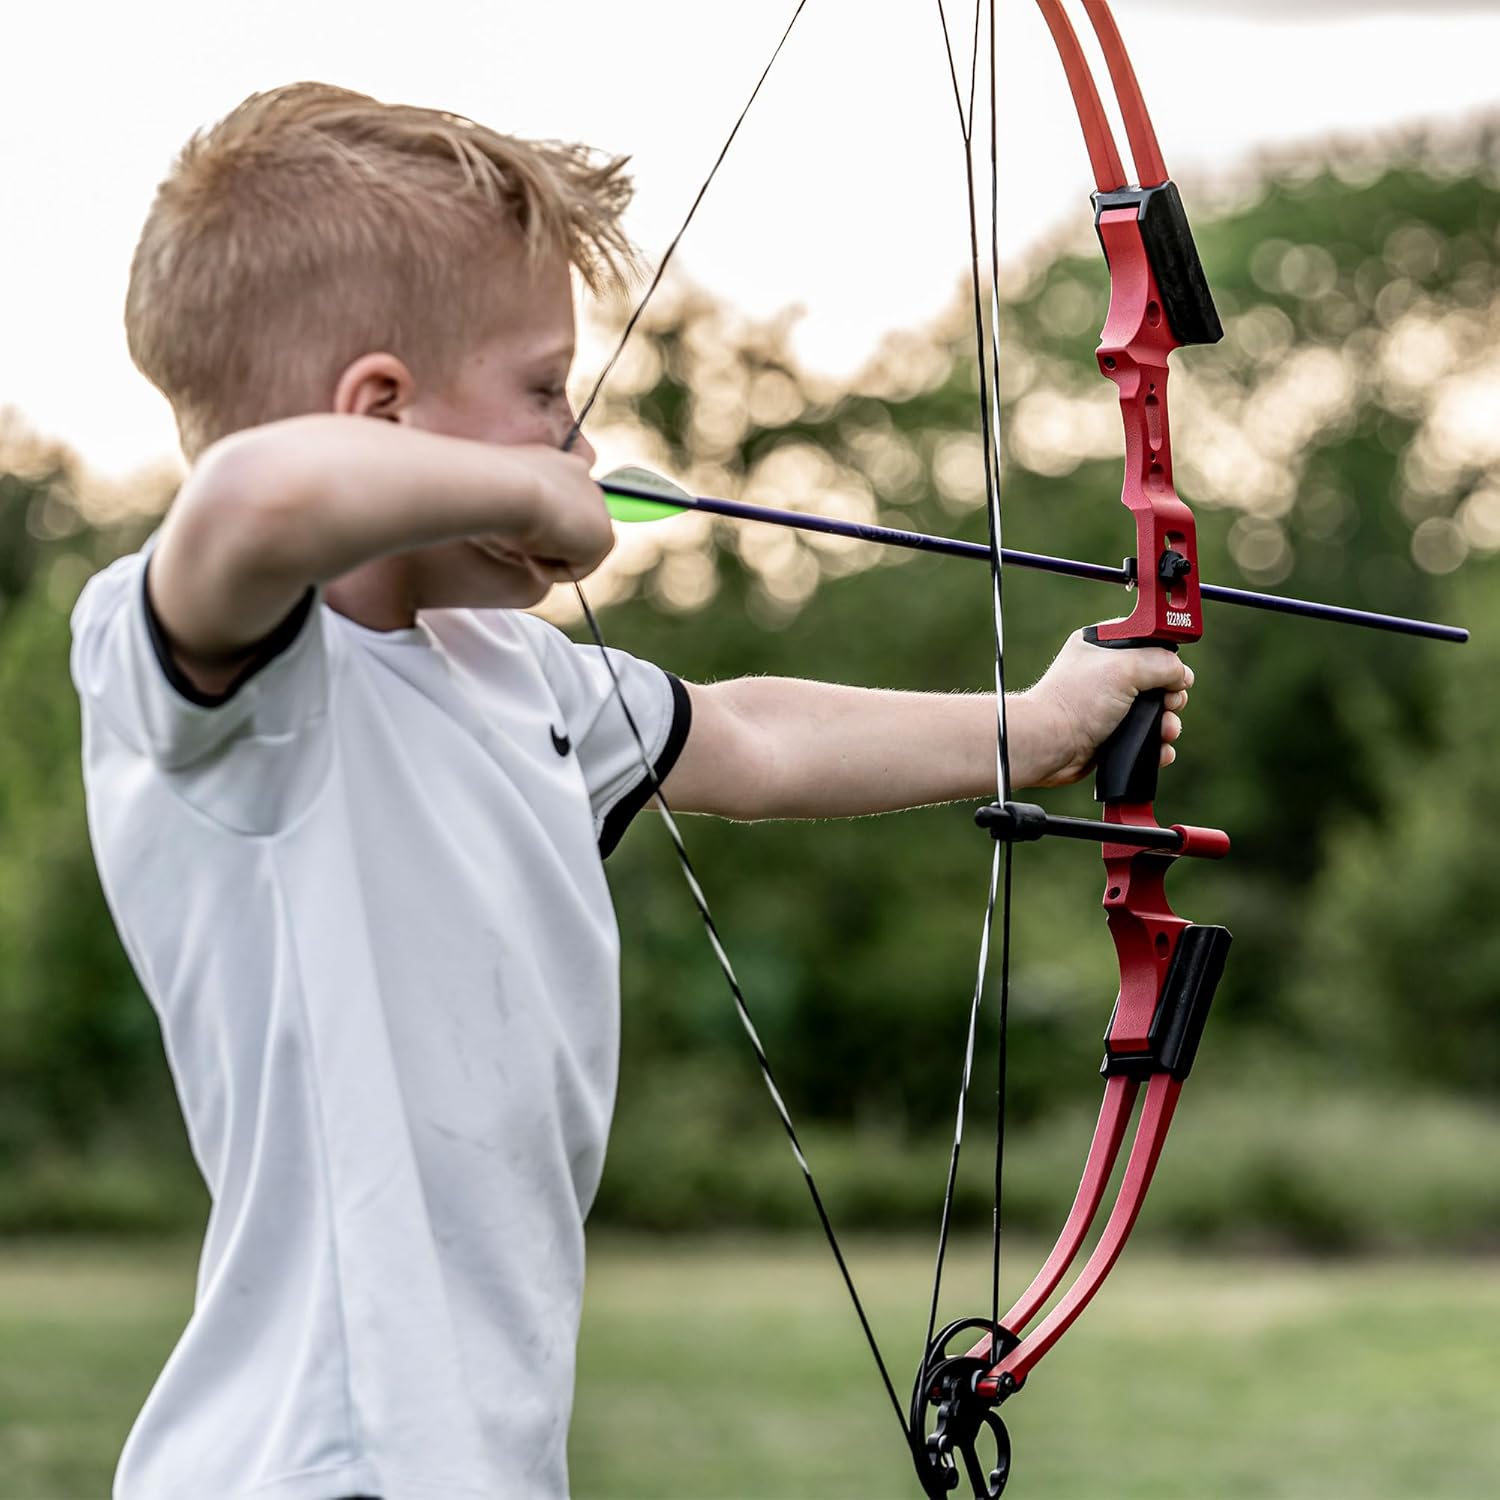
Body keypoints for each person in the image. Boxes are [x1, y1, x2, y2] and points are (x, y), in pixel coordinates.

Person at [69, 83, 1192, 1500]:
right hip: (312, 1468)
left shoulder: (512, 676)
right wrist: (524, 497)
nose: (581, 446)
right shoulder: (223, 687)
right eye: (549, 394)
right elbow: (253, 500)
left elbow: (753, 738)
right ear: (382, 413)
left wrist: (1035, 724)